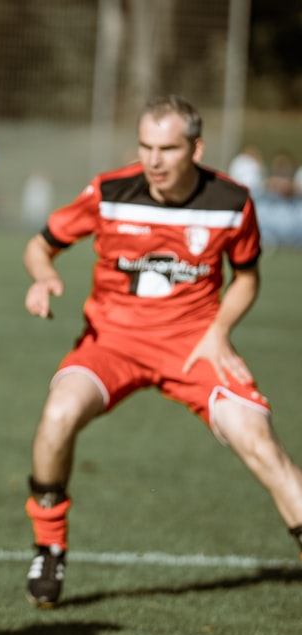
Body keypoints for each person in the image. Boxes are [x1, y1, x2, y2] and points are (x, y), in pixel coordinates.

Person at [20, 94, 302, 608]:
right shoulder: (110, 192)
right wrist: (43, 277)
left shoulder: (232, 201)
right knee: (57, 415)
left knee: (259, 441)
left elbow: (247, 278)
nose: (153, 160)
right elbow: (41, 245)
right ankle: (50, 544)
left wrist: (218, 332)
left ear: (196, 148)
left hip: (194, 348)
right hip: (112, 344)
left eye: (167, 148)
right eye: (145, 146)